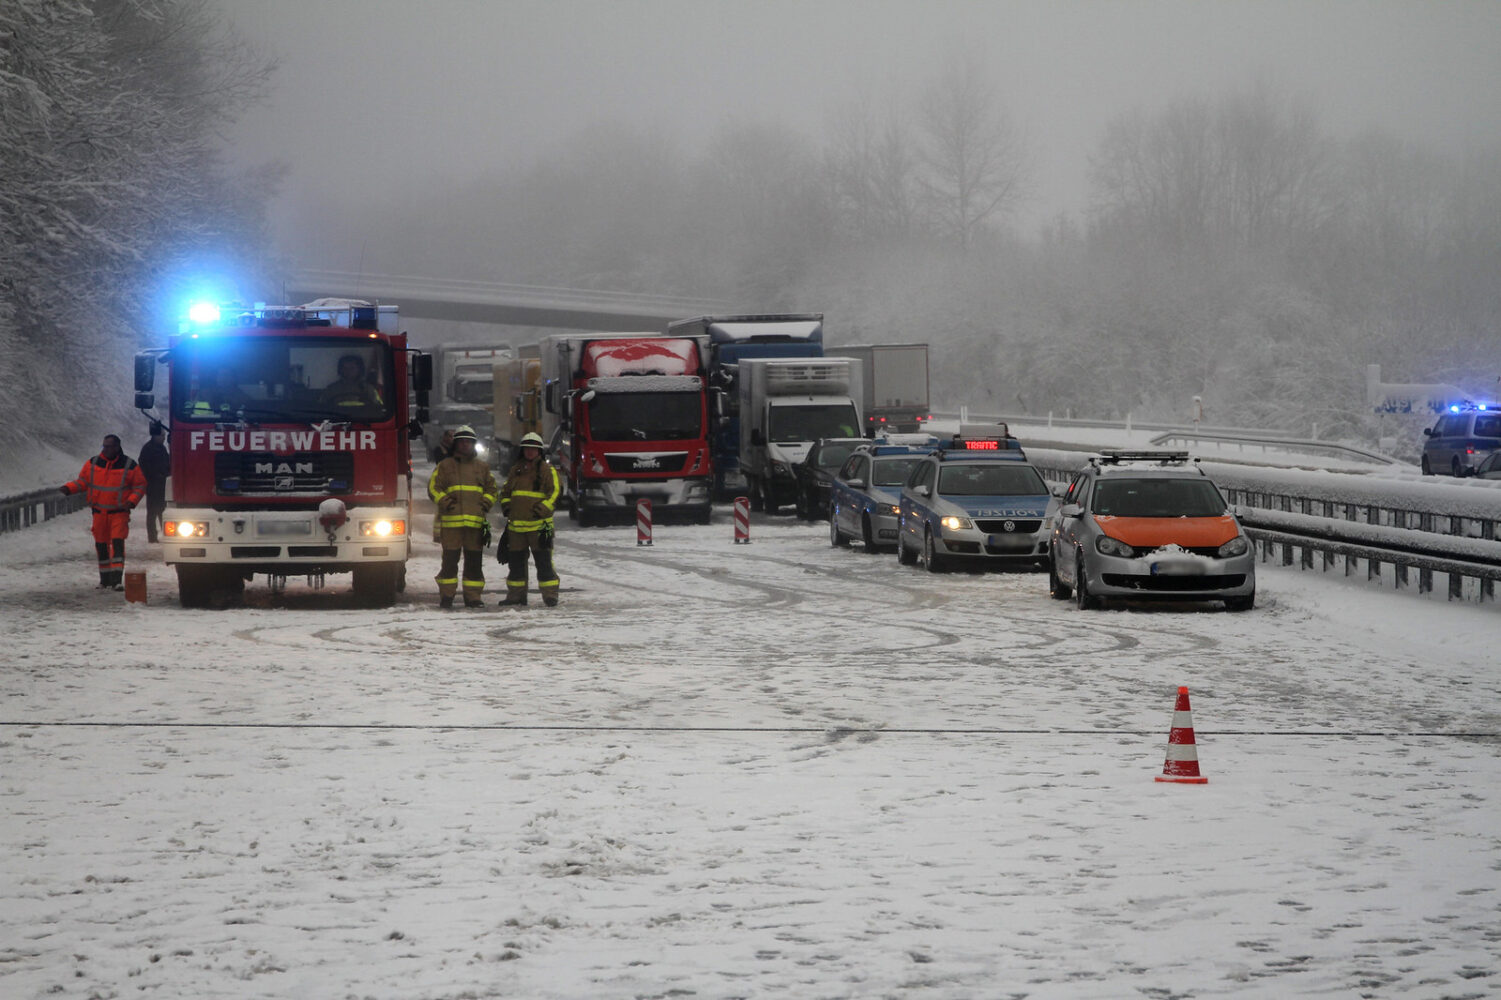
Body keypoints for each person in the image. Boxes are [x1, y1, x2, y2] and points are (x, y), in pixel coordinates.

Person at [59, 434, 147, 589]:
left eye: (109, 446)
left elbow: (140, 486)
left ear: (117, 447)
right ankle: (104, 580)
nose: (105, 449)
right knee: (101, 545)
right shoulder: (93, 463)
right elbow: (84, 482)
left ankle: (117, 580)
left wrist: (131, 501)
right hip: (99, 513)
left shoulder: (129, 465)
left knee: (117, 544)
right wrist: (69, 488)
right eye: (104, 446)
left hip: (119, 512)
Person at [427, 425, 498, 609]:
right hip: (451, 525)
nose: (465, 444)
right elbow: (433, 488)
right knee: (449, 563)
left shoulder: (482, 467)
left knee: (474, 563)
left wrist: (485, 503)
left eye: (468, 441)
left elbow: (492, 489)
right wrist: (446, 503)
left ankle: (473, 597)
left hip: (475, 525)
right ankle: (447, 596)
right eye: (462, 441)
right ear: (456, 444)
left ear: (473, 444)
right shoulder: (445, 466)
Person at [498, 431, 562, 607]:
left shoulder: (547, 471)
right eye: (527, 449)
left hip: (540, 527)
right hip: (517, 528)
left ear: (539, 451)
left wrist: (542, 509)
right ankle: (516, 596)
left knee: (544, 563)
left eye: (534, 449)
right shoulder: (515, 470)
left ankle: (550, 595)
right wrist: (507, 506)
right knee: (516, 565)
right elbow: (505, 493)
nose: (530, 452)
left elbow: (555, 493)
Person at [137, 422, 170, 543]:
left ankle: (165, 534)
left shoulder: (161, 448)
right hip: (152, 485)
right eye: (162, 436)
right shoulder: (148, 449)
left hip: (161, 485)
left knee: (162, 511)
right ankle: (152, 536)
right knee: (152, 513)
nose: (164, 438)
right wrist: (154, 476)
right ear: (155, 436)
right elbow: (144, 466)